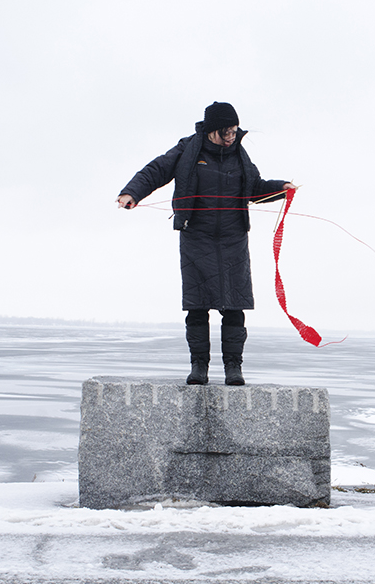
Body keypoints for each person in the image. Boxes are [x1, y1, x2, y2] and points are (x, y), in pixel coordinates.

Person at [117, 102, 296, 386]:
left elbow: (254, 189)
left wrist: (280, 189)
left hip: (233, 239)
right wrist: (131, 193)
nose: (231, 137)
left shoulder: (240, 155)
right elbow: (156, 170)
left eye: (235, 132)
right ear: (212, 131)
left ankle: (233, 367)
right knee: (197, 305)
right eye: (226, 132)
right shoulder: (188, 150)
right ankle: (199, 366)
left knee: (234, 305)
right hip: (196, 238)